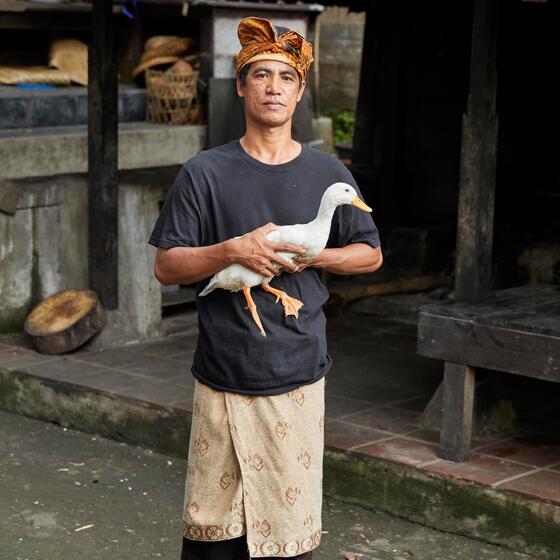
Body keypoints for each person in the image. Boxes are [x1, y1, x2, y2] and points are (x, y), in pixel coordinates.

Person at [148, 16, 383, 560]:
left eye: (285, 77)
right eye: (261, 75)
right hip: (225, 369)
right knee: (213, 537)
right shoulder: (204, 172)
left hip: (298, 370)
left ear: (301, 91)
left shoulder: (328, 171)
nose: (273, 86)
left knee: (288, 535)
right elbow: (167, 266)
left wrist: (312, 255)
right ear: (242, 85)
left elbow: (370, 254)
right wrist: (232, 250)